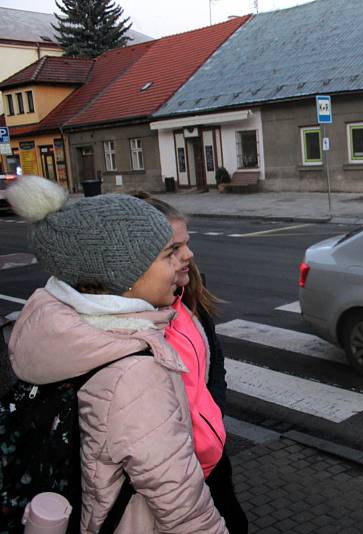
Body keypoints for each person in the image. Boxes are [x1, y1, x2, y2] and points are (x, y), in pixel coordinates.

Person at [6, 176, 228, 533]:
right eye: (167, 254)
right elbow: (182, 507)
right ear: (125, 274)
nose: (180, 265)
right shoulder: (135, 371)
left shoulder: (63, 332)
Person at [132, 192, 248, 533]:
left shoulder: (190, 292)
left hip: (213, 459)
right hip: (174, 476)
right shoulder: (128, 330)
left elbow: (214, 360)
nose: (189, 255)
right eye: (173, 250)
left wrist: (214, 407)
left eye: (186, 243)